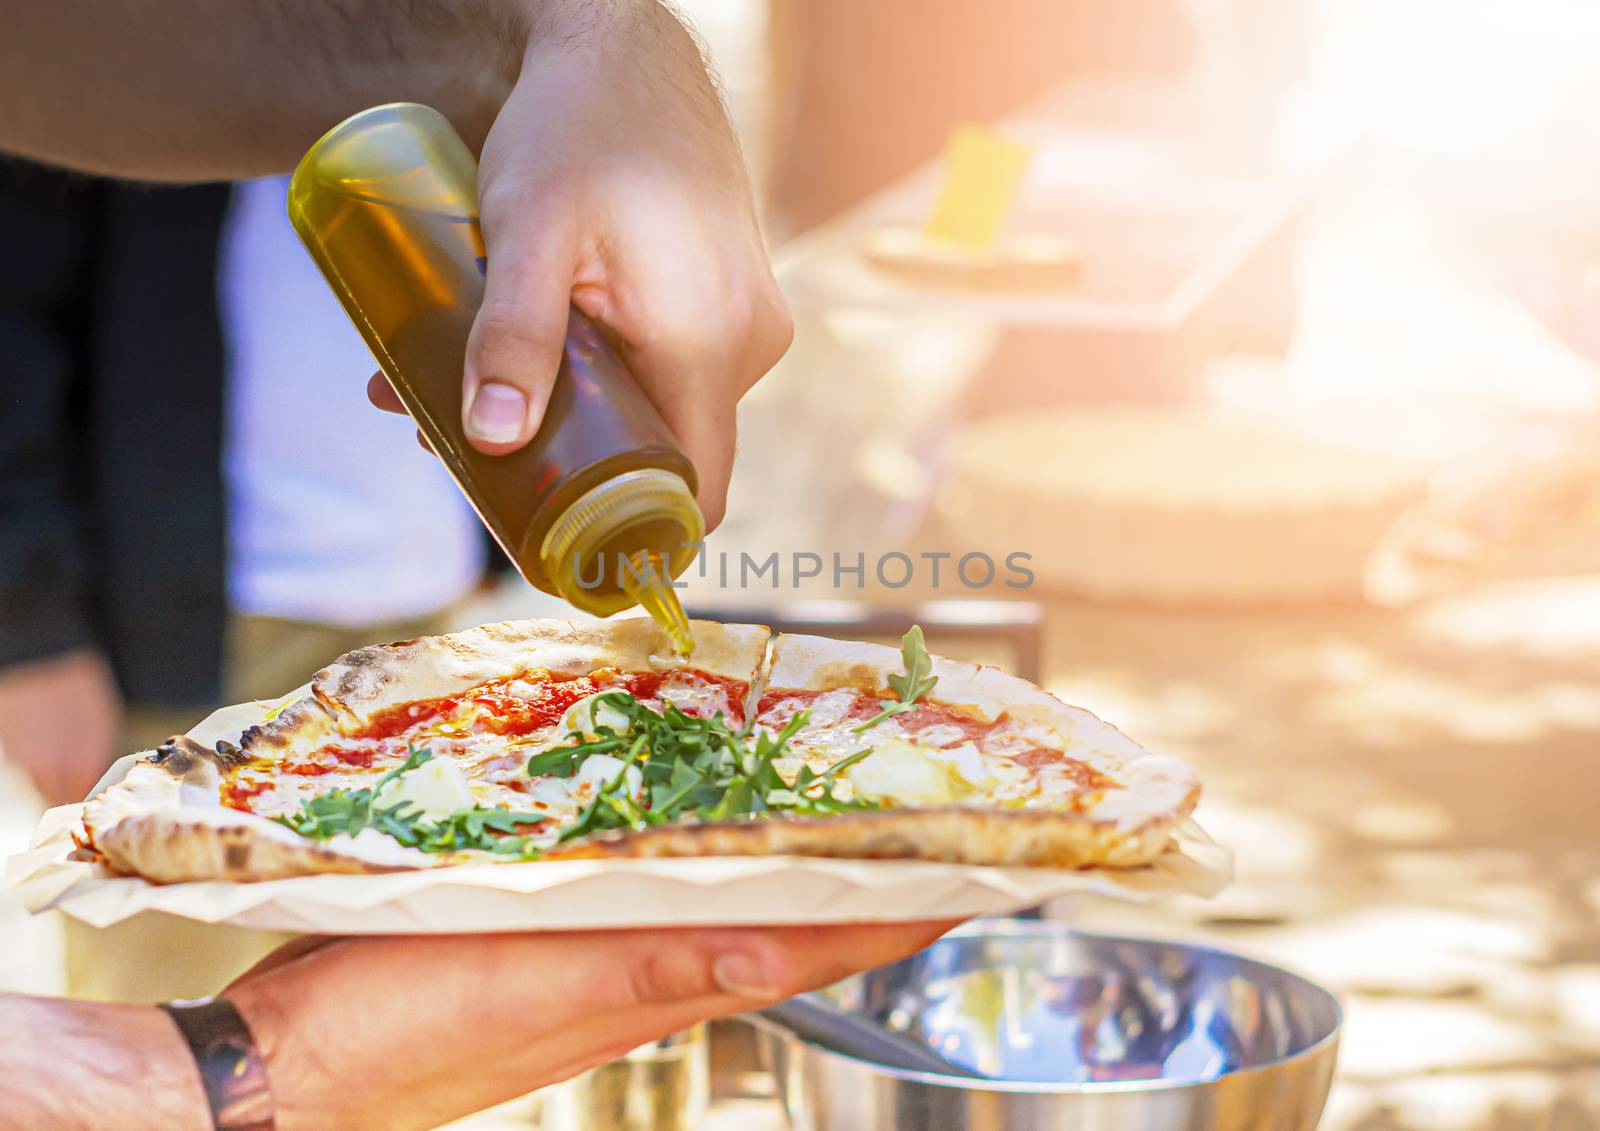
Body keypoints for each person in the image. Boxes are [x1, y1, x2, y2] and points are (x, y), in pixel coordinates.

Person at [0, 3, 943, 1127]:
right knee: (164, 970)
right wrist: (26, 620)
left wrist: (567, 42)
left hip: (420, 588)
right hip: (184, 597)